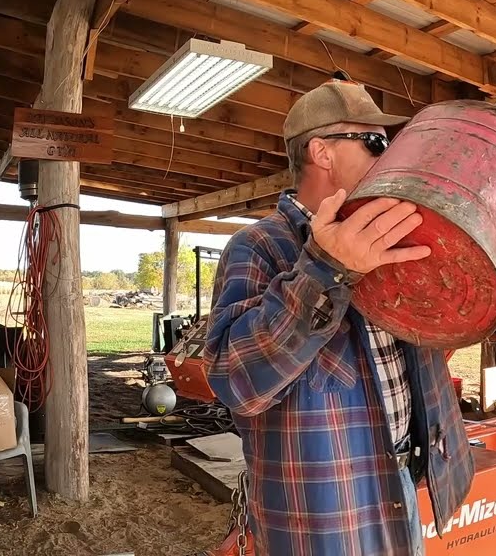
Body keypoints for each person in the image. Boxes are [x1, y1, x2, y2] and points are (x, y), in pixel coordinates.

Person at [203, 78, 474, 555]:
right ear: (321, 152)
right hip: (323, 511)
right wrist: (327, 270)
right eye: (374, 142)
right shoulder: (260, 247)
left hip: (399, 488)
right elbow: (235, 381)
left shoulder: (384, 236)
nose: (387, 155)